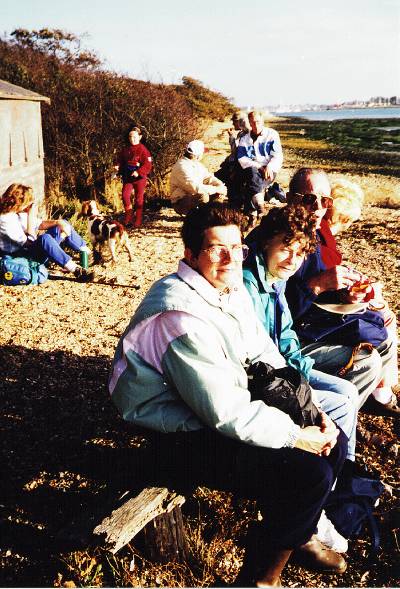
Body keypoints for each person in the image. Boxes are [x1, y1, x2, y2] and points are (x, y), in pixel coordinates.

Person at [109, 202, 348, 586]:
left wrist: (314, 409)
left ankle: (297, 535)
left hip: (209, 404)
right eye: (216, 249)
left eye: (236, 248)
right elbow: (224, 412)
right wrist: (295, 435)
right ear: (189, 254)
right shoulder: (179, 316)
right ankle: (259, 579)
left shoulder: (226, 287)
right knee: (307, 474)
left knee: (333, 442)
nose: (229, 258)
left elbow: (265, 351)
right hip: (174, 430)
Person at [243, 205, 359, 467]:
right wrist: (306, 392)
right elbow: (259, 351)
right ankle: (337, 473)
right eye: (285, 249)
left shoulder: (276, 279)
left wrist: (303, 374)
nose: (291, 260)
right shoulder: (248, 283)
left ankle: (342, 466)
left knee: (346, 391)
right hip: (261, 378)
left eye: (299, 253)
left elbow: (286, 337)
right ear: (265, 244)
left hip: (281, 369)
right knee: (340, 405)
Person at [284, 168, 399, 415]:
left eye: (324, 201)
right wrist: (316, 286)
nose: (316, 207)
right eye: (308, 199)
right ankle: (330, 421)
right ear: (290, 199)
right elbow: (276, 312)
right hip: (295, 337)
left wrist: (344, 296)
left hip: (309, 322)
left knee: (382, 329)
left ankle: (368, 398)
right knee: (370, 356)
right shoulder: (281, 243)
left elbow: (317, 286)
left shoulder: (310, 235)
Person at [0, 184, 94, 282]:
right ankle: (76, 270)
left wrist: (58, 222)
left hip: (29, 251)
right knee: (45, 238)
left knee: (62, 224)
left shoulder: (16, 213)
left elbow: (40, 224)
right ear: (19, 202)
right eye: (28, 203)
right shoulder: (4, 220)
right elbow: (29, 242)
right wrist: (30, 216)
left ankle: (87, 253)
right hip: (21, 258)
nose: (29, 205)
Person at [237, 110, 285, 222]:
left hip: (269, 169)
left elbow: (277, 155)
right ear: (249, 122)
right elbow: (242, 158)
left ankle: (252, 213)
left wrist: (269, 167)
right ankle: (260, 206)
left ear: (262, 121)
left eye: (257, 122)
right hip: (252, 169)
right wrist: (259, 167)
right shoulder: (245, 139)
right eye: (252, 122)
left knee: (251, 184)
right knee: (252, 174)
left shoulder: (272, 134)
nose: (255, 125)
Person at [169, 140, 227, 215]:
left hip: (192, 197)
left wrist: (220, 185)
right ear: (197, 155)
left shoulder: (197, 164)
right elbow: (195, 188)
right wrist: (216, 189)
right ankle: (200, 217)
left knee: (219, 193)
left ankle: (212, 215)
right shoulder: (181, 166)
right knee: (203, 195)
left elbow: (208, 177)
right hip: (180, 202)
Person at [114, 126, 152, 228]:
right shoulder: (126, 149)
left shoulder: (143, 150)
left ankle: (138, 219)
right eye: (130, 136)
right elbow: (120, 159)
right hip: (128, 177)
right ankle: (129, 216)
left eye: (134, 137)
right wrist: (117, 165)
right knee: (125, 195)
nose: (132, 139)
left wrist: (139, 172)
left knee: (139, 199)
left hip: (140, 178)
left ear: (140, 137)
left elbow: (148, 165)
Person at [215, 111, 249, 208]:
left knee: (224, 179)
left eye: (234, 122)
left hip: (239, 165)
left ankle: (234, 203)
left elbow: (236, 151)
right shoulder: (242, 133)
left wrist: (232, 137)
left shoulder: (244, 134)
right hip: (236, 164)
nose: (233, 124)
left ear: (240, 122)